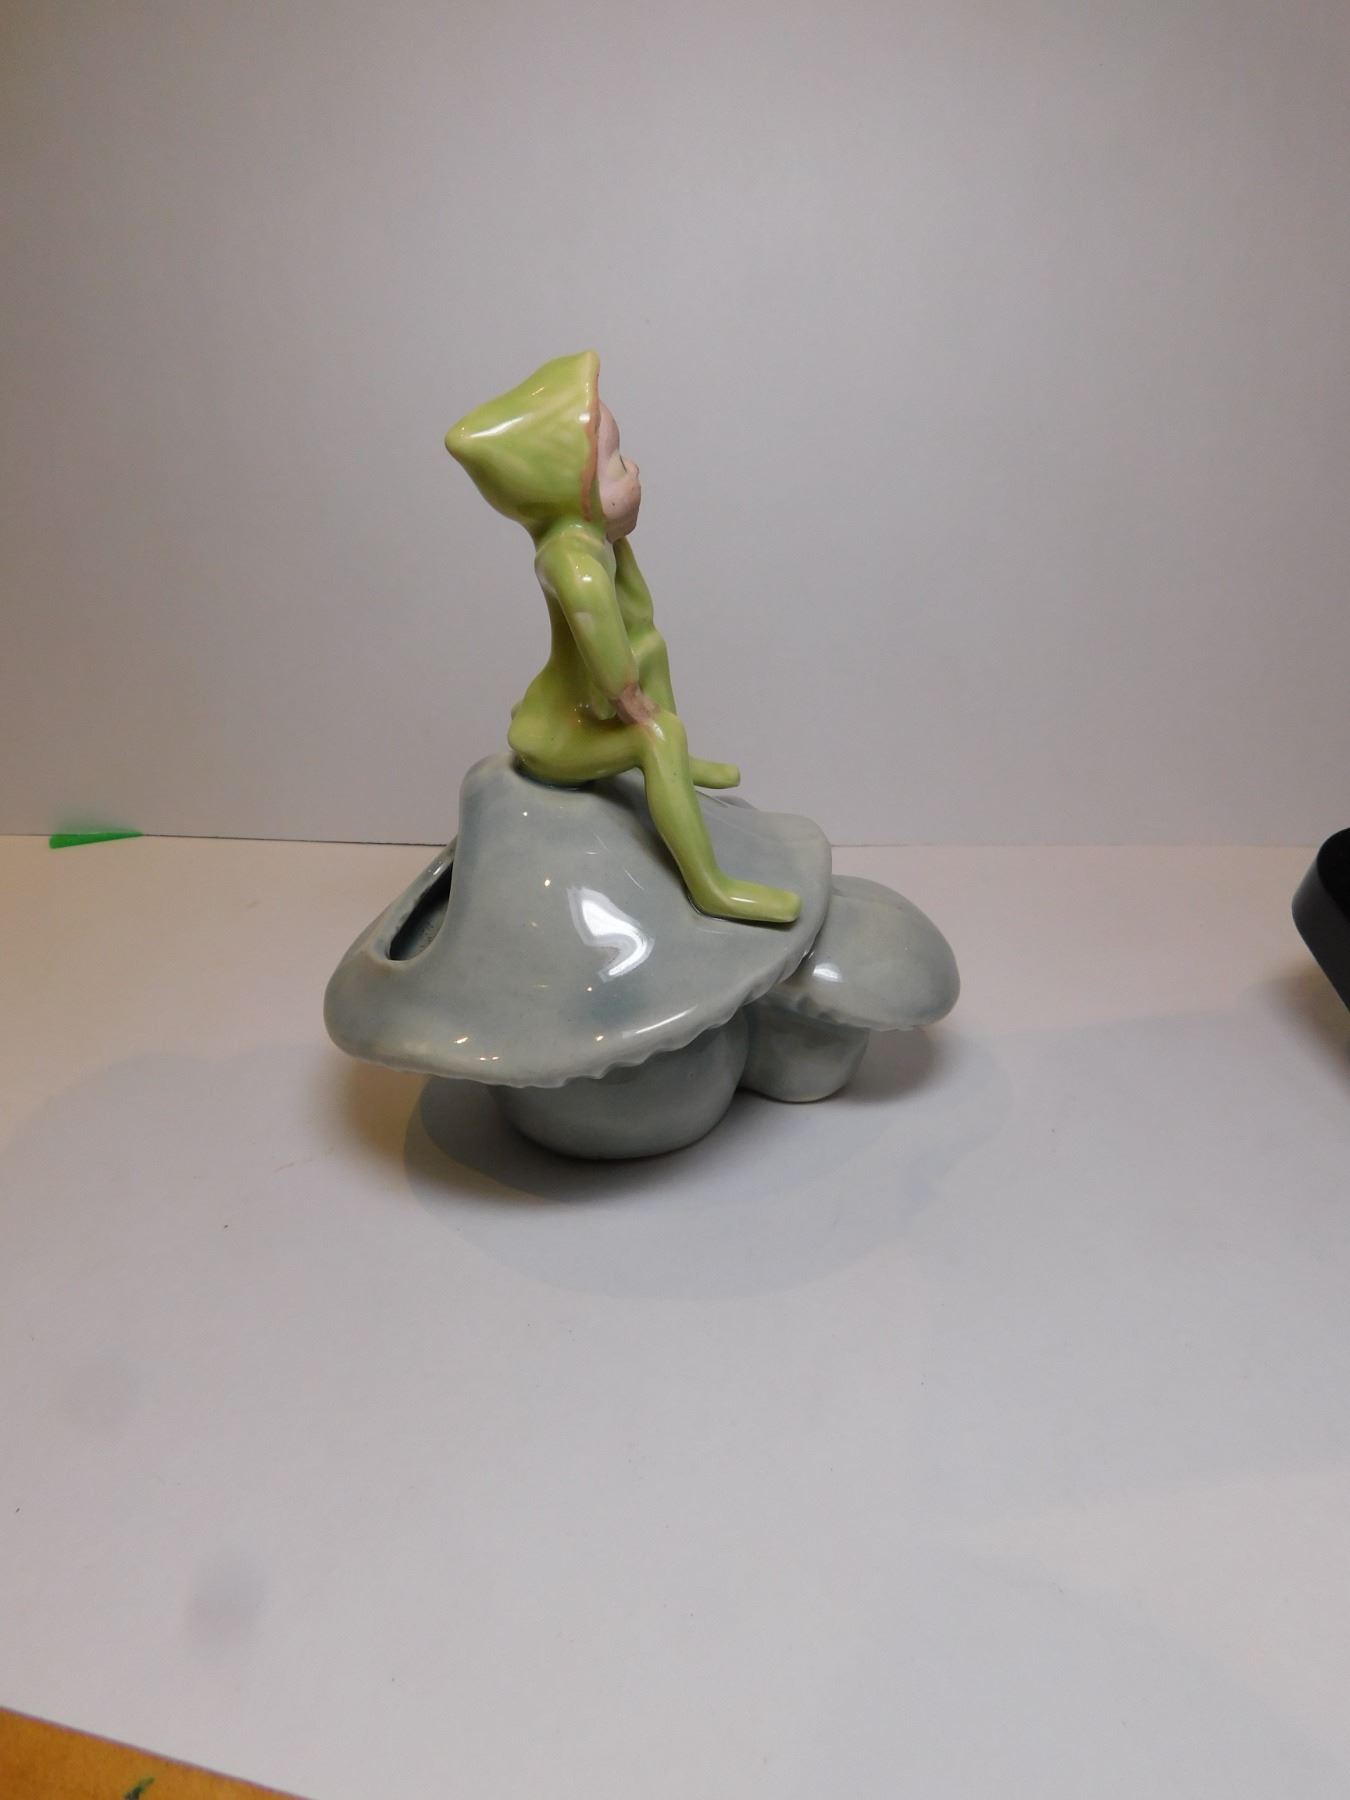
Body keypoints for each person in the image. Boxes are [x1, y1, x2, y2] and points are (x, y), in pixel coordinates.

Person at [446, 351, 801, 925]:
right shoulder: (574, 564)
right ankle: (711, 885)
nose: (632, 469)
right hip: (561, 730)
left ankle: (683, 766)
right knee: (658, 737)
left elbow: (638, 616)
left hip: (577, 700)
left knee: (652, 648)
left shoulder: (592, 544)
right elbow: (606, 651)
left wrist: (617, 536)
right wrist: (633, 705)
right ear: (572, 492)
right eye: (613, 466)